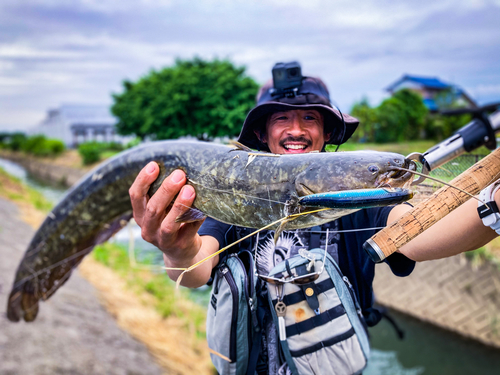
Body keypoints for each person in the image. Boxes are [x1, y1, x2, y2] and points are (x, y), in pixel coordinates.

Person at [128, 65, 500, 372]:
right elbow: (194, 271)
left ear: (325, 133)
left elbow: (420, 235)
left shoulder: (360, 197)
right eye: (282, 119)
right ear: (261, 132)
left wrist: (493, 206)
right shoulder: (237, 196)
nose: (296, 129)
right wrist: (176, 251)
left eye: (309, 118)